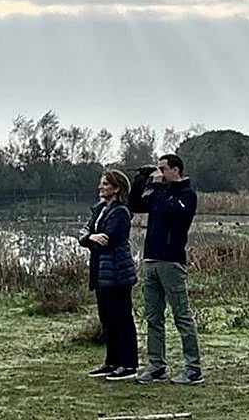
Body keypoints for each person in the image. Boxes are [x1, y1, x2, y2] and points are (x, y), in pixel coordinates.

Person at [128, 153, 203, 385]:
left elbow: (171, 211)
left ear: (176, 170)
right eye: (157, 169)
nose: (159, 173)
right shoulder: (160, 193)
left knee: (181, 315)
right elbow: (135, 204)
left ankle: (193, 368)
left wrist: (158, 187)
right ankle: (156, 365)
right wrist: (141, 180)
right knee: (153, 317)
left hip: (171, 261)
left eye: (163, 169)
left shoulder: (186, 195)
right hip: (150, 260)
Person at [78, 169, 138, 381]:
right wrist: (91, 238)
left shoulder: (121, 212)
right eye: (101, 183)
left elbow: (108, 241)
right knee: (107, 319)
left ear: (116, 188)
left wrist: (91, 239)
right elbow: (84, 234)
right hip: (100, 272)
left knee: (122, 318)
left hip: (118, 273)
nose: (100, 187)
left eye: (105, 184)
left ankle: (128, 364)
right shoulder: (99, 210)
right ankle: (111, 361)